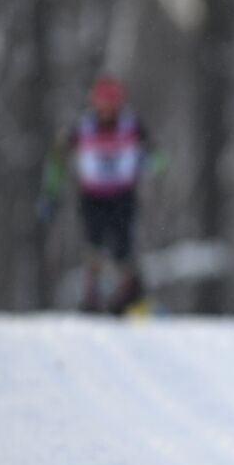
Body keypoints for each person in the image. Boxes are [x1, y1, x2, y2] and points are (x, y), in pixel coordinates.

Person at [40, 76, 159, 314]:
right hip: (92, 196)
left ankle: (128, 296)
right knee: (94, 245)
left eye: (110, 105)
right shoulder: (82, 126)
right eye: (101, 105)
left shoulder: (132, 124)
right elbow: (57, 159)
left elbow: (160, 157)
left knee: (122, 248)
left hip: (123, 196)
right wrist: (51, 192)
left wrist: (148, 162)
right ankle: (92, 297)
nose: (105, 111)